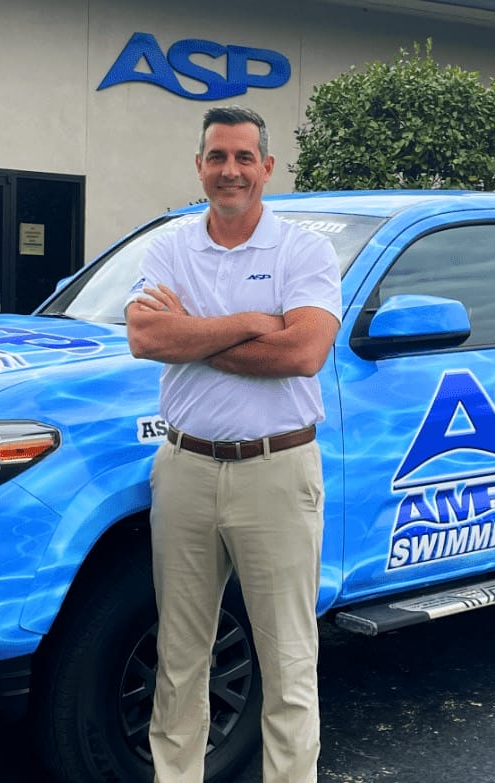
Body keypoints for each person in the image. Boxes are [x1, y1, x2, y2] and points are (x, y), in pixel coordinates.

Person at [124, 105, 341, 783]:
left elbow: (303, 352)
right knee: (178, 658)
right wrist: (252, 321)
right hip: (184, 468)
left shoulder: (303, 251)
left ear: (266, 168)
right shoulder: (169, 249)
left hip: (275, 471)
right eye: (217, 156)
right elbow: (146, 336)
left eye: (244, 157)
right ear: (199, 167)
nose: (230, 170)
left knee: (288, 661)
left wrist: (193, 334)